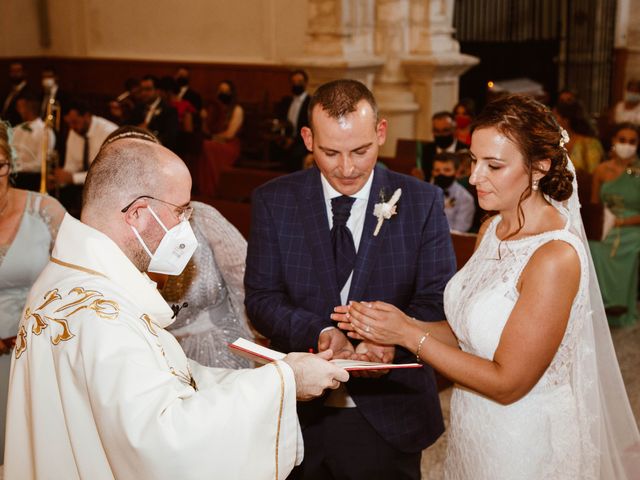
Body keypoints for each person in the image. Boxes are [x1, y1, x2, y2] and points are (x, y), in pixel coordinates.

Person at [4, 132, 349, 479]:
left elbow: (171, 380)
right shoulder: (103, 317)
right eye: (181, 211)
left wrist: (282, 374)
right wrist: (284, 381)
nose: (187, 226)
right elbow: (167, 441)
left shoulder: (64, 279)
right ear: (138, 213)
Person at [334, 94, 640, 479]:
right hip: (476, 427)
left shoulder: (555, 257)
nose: (475, 177)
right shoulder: (492, 227)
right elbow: (469, 332)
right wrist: (392, 327)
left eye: (493, 165)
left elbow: (507, 382)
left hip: (524, 440)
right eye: (473, 161)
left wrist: (410, 335)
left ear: (539, 167)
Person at [245, 79, 456, 479]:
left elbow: (436, 298)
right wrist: (322, 330)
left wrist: (390, 337)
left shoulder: (421, 202)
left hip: (388, 412)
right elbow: (262, 297)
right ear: (308, 138)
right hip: (299, 414)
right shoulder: (274, 201)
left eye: (360, 151)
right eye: (330, 152)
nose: (347, 168)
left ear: (381, 132)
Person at [102, 125, 255, 368]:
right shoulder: (106, 241)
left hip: (221, 348)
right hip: (150, 359)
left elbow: (246, 285)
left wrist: (257, 345)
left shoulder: (203, 219)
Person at [0, 121, 66, 463]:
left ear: (10, 165)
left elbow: (77, 280)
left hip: (32, 352)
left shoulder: (46, 212)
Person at [589, 122, 640, 327]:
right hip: (606, 224)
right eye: (622, 140)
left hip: (633, 227)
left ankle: (623, 306)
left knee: (632, 248)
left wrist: (622, 221)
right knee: (594, 247)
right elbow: (594, 205)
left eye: (632, 141)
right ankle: (602, 307)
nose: (626, 145)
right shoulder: (601, 170)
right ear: (613, 141)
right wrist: (604, 223)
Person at [51, 99, 118, 215]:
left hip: (108, 189)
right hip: (83, 190)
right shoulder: (75, 131)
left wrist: (73, 178)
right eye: (69, 123)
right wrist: (58, 179)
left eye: (75, 122)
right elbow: (72, 166)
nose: (72, 127)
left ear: (87, 116)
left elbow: (106, 173)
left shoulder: (108, 132)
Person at [196, 80, 243, 197]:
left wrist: (213, 138)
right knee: (204, 145)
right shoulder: (215, 108)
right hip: (214, 142)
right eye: (221, 91)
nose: (223, 94)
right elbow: (207, 131)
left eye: (226, 91)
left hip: (230, 144)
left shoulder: (237, 110)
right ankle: (205, 188)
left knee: (208, 145)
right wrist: (204, 119)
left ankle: (214, 188)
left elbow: (229, 134)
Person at [12, 94, 56, 191]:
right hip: (13, 176)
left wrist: (17, 167)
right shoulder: (16, 130)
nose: (18, 110)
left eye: (20, 107)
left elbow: (40, 164)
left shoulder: (45, 131)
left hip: (31, 179)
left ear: (28, 107)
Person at [413, 111, 470, 182]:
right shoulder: (426, 150)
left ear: (454, 130)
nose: (441, 135)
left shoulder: (466, 151)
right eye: (437, 131)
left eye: (445, 130)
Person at [273, 69, 312, 172]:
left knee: (296, 154)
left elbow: (310, 126)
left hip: (302, 141)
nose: (296, 84)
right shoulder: (287, 101)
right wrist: (284, 138)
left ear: (305, 83)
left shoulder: (310, 103)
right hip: (286, 139)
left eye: (299, 82)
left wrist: (293, 140)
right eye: (294, 82)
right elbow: (282, 121)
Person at [131, 74, 179, 151]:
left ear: (158, 91)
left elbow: (171, 137)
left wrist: (149, 134)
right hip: (136, 150)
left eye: (148, 89)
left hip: (160, 152)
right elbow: (127, 126)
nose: (143, 93)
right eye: (142, 89)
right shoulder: (138, 108)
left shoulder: (169, 110)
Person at [554, 99, 604, 173]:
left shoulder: (590, 144)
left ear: (565, 120)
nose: (551, 121)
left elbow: (593, 173)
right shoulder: (554, 141)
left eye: (555, 117)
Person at [431, 152, 475, 232]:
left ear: (456, 172)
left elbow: (459, 231)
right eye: (437, 170)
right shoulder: (423, 193)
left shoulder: (465, 199)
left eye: (447, 170)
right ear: (432, 172)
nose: (441, 174)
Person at [1, 62, 32, 126]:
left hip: (19, 129)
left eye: (18, 71)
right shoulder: (6, 91)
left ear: (24, 72)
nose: (14, 74)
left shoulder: (29, 92)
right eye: (12, 71)